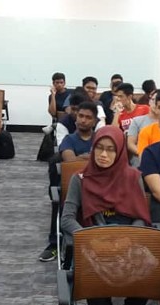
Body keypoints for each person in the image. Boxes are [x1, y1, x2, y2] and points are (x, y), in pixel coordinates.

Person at [60, 125, 151, 305]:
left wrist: (127, 239)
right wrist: (93, 240)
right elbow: (67, 220)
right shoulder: (81, 179)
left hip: (127, 246)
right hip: (93, 248)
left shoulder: (133, 176)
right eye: (100, 147)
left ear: (120, 151)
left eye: (111, 149)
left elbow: (141, 217)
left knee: (152, 274)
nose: (104, 154)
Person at [38, 101, 99, 262]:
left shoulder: (100, 139)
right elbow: (72, 164)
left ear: (95, 121)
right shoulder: (69, 139)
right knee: (58, 201)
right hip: (76, 187)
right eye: (80, 116)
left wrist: (82, 157)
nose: (83, 120)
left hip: (100, 187)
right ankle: (54, 244)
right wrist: (91, 157)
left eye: (88, 117)